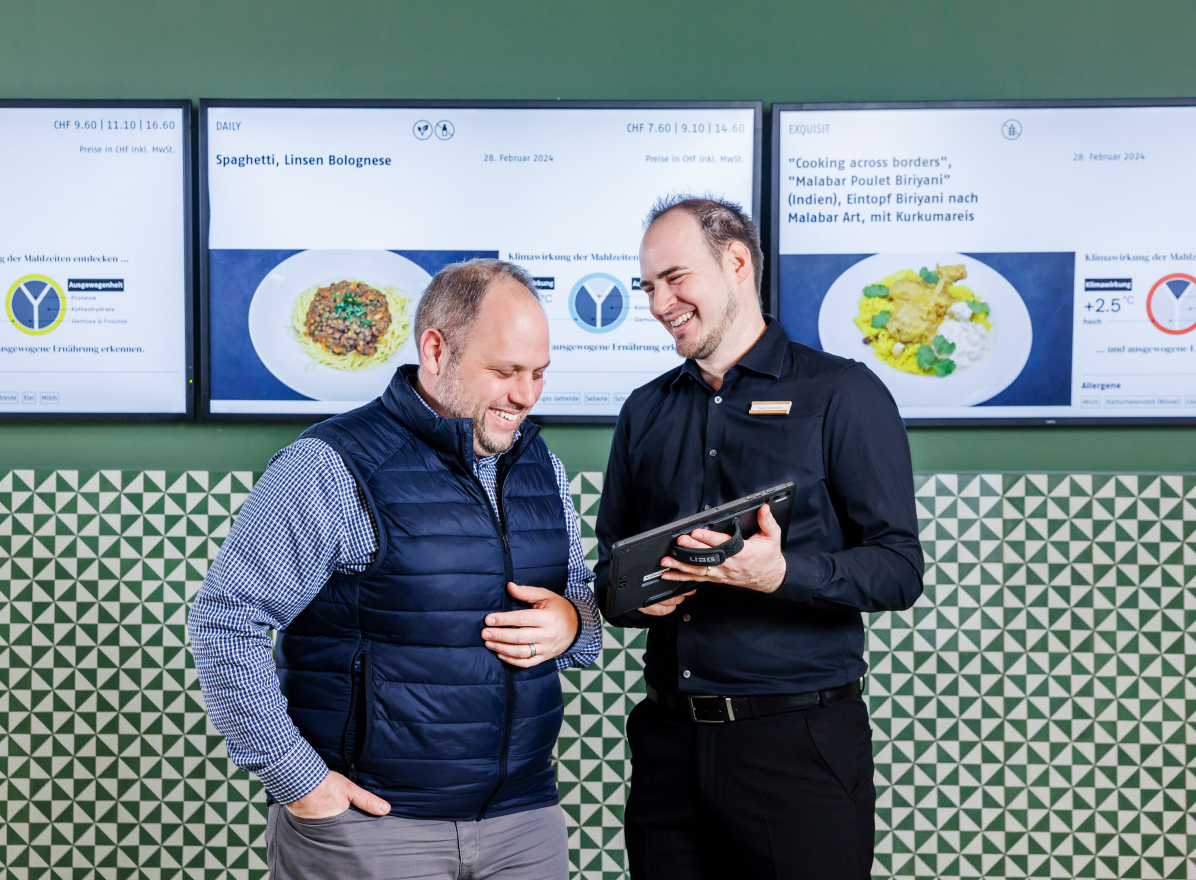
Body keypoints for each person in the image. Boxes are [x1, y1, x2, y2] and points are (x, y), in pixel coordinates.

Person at [189, 259, 602, 880]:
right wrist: (301, 784)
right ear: (435, 350)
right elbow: (225, 624)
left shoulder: (541, 467)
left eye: (539, 373)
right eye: (504, 372)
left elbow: (580, 607)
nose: (526, 395)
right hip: (371, 829)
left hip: (524, 824)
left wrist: (574, 622)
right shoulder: (330, 465)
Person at [593, 197, 924, 880]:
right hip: (667, 746)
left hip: (797, 747)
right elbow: (609, 575)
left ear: (736, 262)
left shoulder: (843, 395)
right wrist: (638, 599)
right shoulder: (644, 411)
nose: (659, 303)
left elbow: (897, 569)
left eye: (675, 278)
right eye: (648, 286)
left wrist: (780, 574)